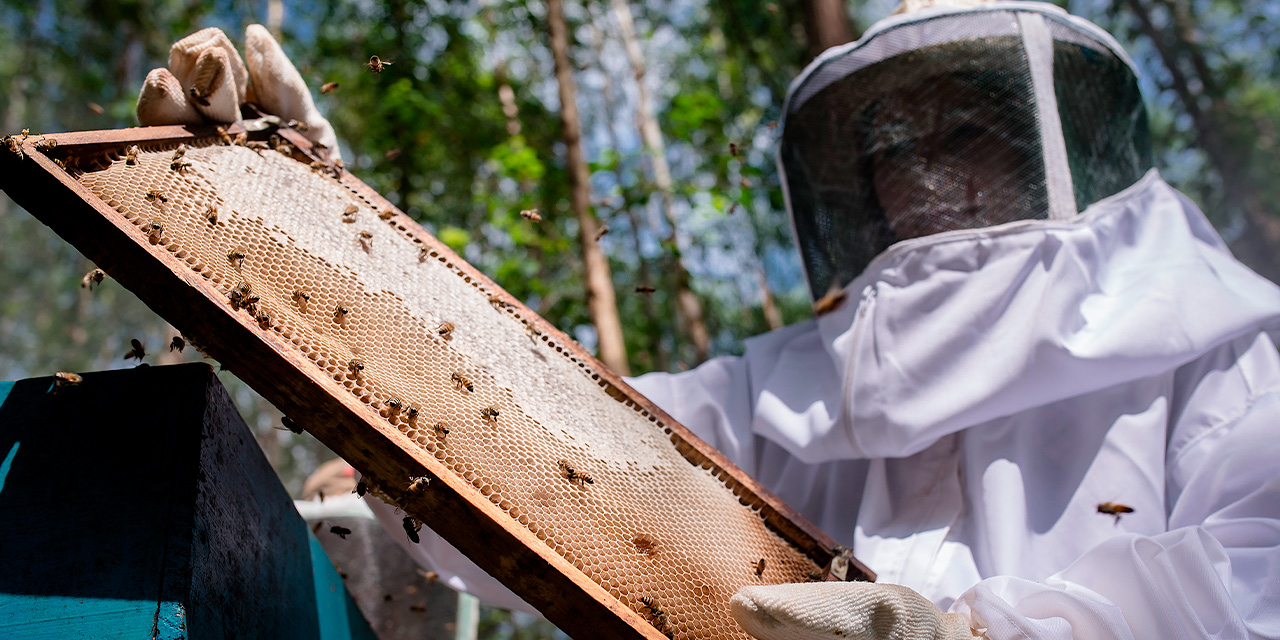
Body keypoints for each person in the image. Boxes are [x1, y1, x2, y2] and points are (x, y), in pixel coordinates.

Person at [137, 1, 1280, 638]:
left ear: (1050, 140)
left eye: (961, 132)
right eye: (885, 150)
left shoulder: (1230, 353)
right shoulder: (791, 387)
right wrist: (323, 256)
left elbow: (1252, 588)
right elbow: (549, 453)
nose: (917, 176)